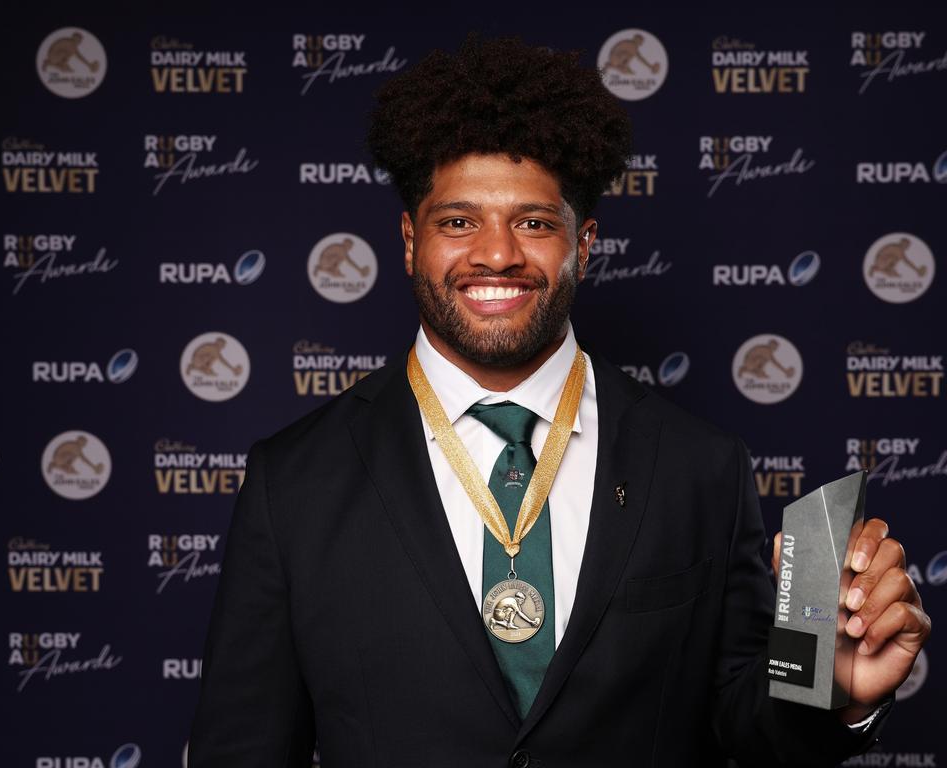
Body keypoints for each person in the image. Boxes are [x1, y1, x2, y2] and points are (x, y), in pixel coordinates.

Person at [189, 36, 930, 767]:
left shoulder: (698, 466)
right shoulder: (294, 483)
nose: (498, 253)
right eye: (459, 221)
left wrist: (834, 691)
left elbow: (743, 723)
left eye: (535, 223)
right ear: (410, 240)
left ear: (587, 243)